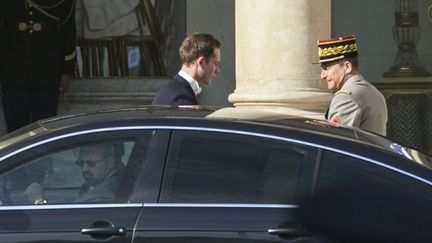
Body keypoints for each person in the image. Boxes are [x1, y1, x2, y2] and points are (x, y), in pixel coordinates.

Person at [0, 1, 77, 133]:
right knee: (15, 131)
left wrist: (66, 71)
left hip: (48, 71)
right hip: (12, 70)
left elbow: (68, 31)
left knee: (44, 130)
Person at [317, 35, 388, 136]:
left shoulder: (346, 98)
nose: (322, 75)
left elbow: (336, 142)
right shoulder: (373, 91)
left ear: (347, 67)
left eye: (326, 68)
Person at [24, 142, 124, 204]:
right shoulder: (98, 184)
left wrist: (39, 201)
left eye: (91, 163)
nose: (84, 169)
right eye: (80, 163)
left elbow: (68, 224)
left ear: (110, 162)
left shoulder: (107, 193)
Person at [152, 32, 221, 105]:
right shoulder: (181, 98)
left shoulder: (170, 90)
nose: (217, 71)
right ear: (201, 62)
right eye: (216, 64)